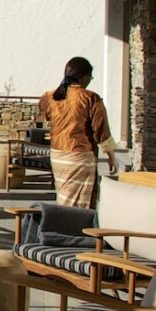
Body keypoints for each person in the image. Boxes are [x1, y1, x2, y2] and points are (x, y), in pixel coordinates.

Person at [37, 57, 118, 207]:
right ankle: (71, 228)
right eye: (90, 77)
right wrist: (111, 155)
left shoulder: (49, 97)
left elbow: (44, 112)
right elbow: (101, 129)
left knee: (64, 197)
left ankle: (61, 225)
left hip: (57, 154)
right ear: (83, 77)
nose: (90, 80)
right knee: (79, 203)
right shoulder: (89, 98)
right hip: (79, 156)